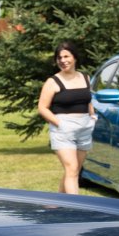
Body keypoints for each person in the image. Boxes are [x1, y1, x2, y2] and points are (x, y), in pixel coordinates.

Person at [37, 41, 95, 194]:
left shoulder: (85, 78)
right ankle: (77, 209)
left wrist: (92, 117)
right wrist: (60, 123)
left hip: (85, 127)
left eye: (66, 56)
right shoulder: (53, 82)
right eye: (59, 58)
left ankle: (59, 203)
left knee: (74, 171)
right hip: (63, 129)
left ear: (74, 57)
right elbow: (42, 108)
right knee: (72, 168)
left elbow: (88, 100)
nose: (63, 61)